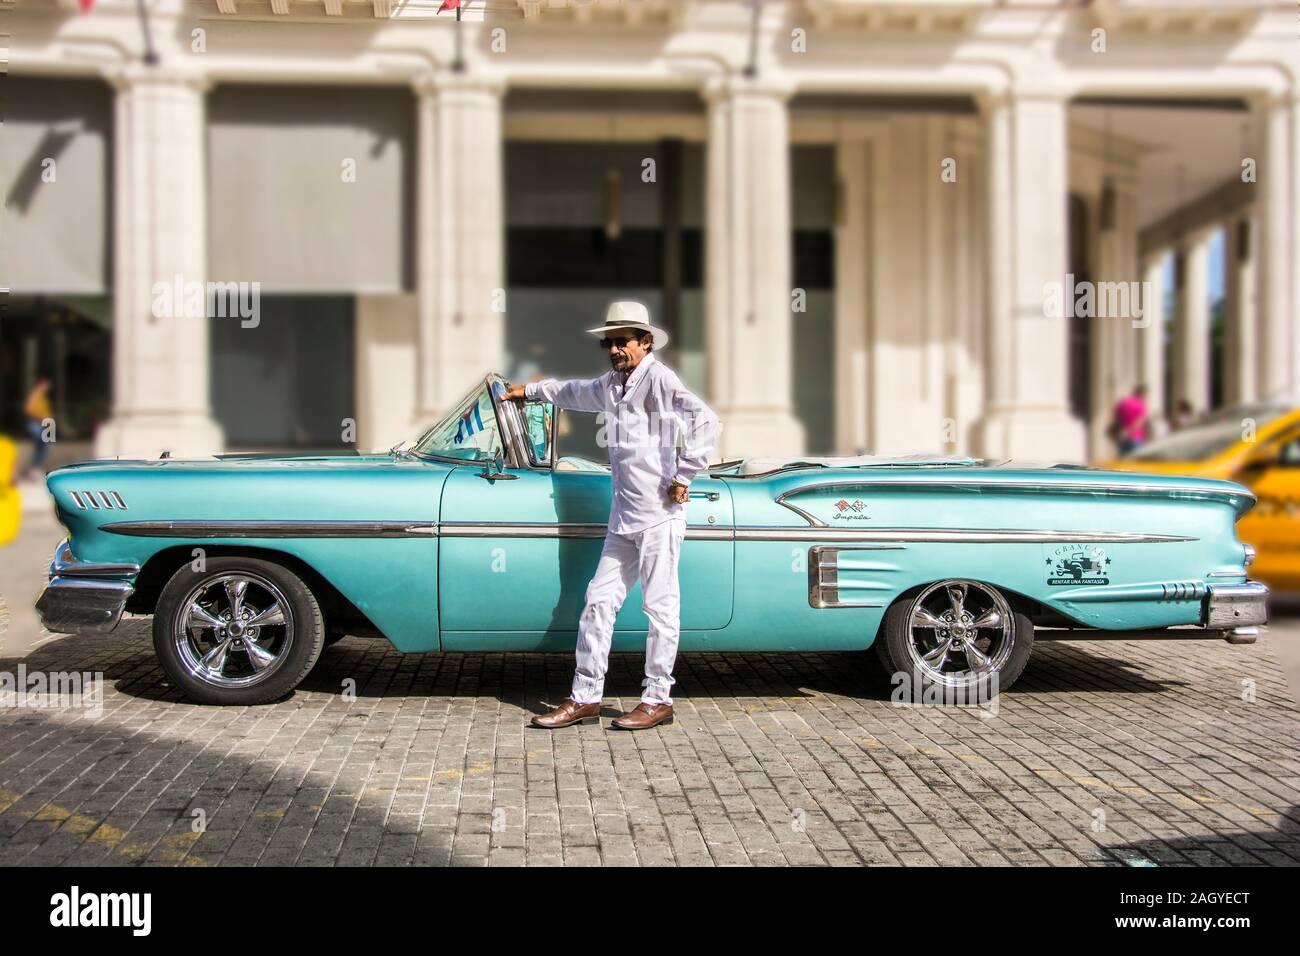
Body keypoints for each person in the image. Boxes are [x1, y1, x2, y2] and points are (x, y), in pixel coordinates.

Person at [505, 300, 720, 731]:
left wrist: (685, 473)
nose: (615, 349)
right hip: (623, 519)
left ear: (645, 342)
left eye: (622, 342)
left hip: (659, 517)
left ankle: (658, 699)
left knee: (660, 611)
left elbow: (706, 421)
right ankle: (586, 697)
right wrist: (528, 392)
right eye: (610, 343)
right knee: (598, 603)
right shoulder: (611, 384)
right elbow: (571, 391)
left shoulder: (659, 379)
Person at [21, 377, 53, 480]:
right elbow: (28, 409)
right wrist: (41, 416)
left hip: (45, 424)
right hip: (33, 423)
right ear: (40, 385)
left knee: (47, 444)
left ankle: (35, 468)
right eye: (45, 386)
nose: (46, 388)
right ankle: (34, 469)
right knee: (42, 440)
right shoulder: (34, 395)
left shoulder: (44, 398)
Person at [1109, 384, 1150, 456]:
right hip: (1136, 437)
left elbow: (1116, 417)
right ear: (1142, 393)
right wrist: (1129, 431)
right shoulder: (1141, 404)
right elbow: (1139, 422)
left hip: (1122, 436)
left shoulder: (1123, 402)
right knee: (1135, 463)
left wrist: (1122, 431)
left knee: (1122, 462)